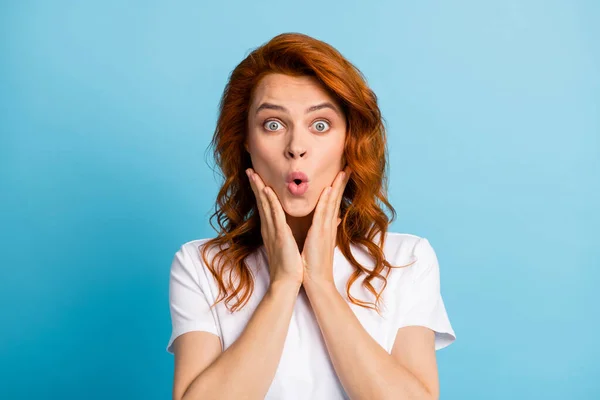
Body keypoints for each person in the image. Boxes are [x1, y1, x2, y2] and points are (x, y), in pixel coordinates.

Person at [166, 32, 456, 400]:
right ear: (246, 142)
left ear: (348, 141)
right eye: (273, 124)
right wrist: (284, 284)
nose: (296, 148)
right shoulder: (202, 266)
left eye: (320, 125)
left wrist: (319, 282)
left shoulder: (406, 261)